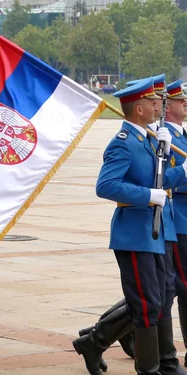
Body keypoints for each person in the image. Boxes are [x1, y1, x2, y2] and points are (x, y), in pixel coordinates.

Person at [73, 78, 187, 375]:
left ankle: (163, 363)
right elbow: (107, 185)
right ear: (138, 108)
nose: (158, 106)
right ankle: (148, 369)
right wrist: (148, 196)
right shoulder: (123, 143)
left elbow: (158, 182)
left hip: (158, 229)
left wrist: (180, 171)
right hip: (135, 232)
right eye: (153, 102)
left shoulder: (148, 140)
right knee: (147, 303)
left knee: (161, 298)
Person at [164, 79, 187, 367]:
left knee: (160, 290)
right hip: (178, 220)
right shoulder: (164, 138)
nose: (186, 104)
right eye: (182, 100)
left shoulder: (182, 136)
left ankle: (100, 336)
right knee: (182, 288)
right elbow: (163, 181)